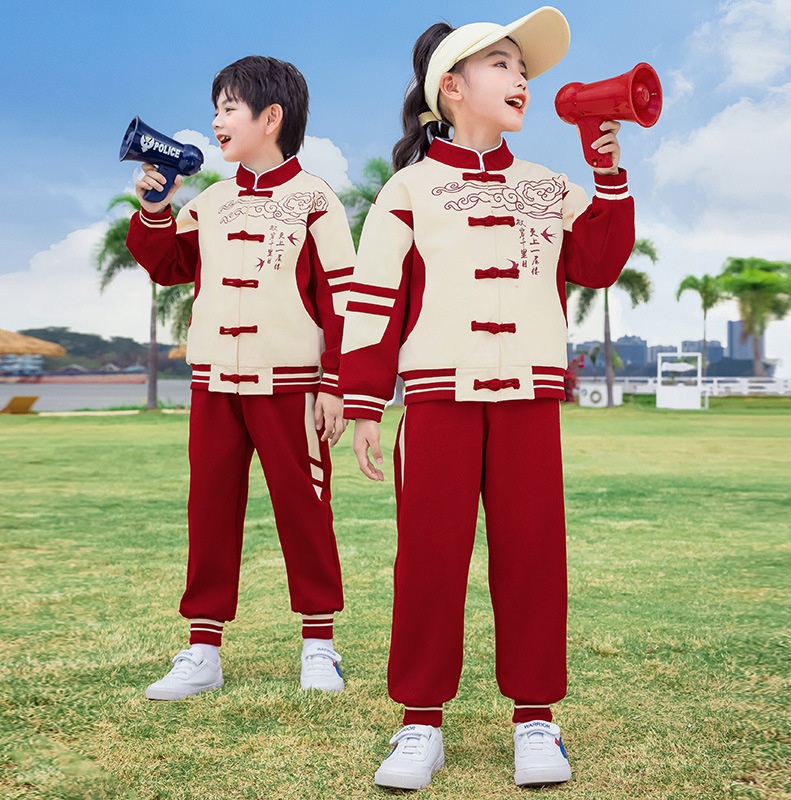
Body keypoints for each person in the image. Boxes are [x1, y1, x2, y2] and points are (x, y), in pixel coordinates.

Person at [339, 8, 635, 790]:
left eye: (524, 70)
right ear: (452, 87)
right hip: (437, 403)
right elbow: (373, 304)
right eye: (503, 65)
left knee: (535, 561)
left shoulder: (549, 187)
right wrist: (364, 402)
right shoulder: (407, 190)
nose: (522, 81)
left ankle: (537, 721)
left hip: (530, 402)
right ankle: (418, 725)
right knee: (430, 563)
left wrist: (606, 172)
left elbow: (601, 261)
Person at [126, 55, 355, 701]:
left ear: (271, 117)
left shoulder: (316, 200)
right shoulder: (212, 202)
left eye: (228, 107)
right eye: (217, 107)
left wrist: (336, 382)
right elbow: (170, 264)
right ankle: (202, 651)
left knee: (305, 511)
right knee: (210, 512)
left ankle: (319, 645)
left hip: (292, 386)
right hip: (215, 385)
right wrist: (155, 208)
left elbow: (343, 295)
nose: (216, 120)